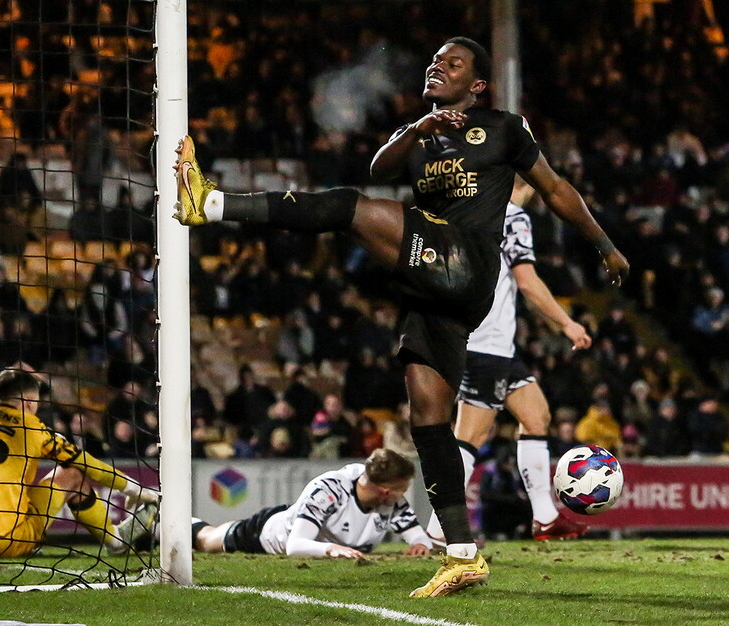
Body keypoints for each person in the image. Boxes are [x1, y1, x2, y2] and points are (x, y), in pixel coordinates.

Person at [174, 36, 628, 597]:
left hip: (467, 260)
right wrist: (415, 130)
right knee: (429, 422)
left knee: (345, 208)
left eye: (453, 63)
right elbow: (378, 165)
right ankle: (463, 555)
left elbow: (556, 190)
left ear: (478, 84)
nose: (439, 66)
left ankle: (213, 203)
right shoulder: (422, 136)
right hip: (435, 287)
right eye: (436, 60)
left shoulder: (505, 128)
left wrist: (604, 245)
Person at [425, 178, 591, 545]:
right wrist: (566, 323)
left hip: (485, 340)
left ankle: (545, 518)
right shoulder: (513, 217)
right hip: (486, 342)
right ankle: (439, 530)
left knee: (536, 416)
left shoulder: (468, 213)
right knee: (470, 435)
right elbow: (528, 283)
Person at [0, 368, 158, 560]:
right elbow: (88, 465)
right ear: (29, 402)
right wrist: (134, 489)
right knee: (71, 474)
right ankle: (114, 540)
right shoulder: (32, 428)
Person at [191, 448, 432, 558]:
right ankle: (165, 521)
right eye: (402, 488)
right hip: (268, 536)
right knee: (206, 540)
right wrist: (331, 549)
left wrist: (419, 544)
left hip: (296, 527)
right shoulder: (329, 489)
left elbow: (418, 538)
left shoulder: (392, 500)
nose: (405, 493)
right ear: (384, 491)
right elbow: (295, 546)